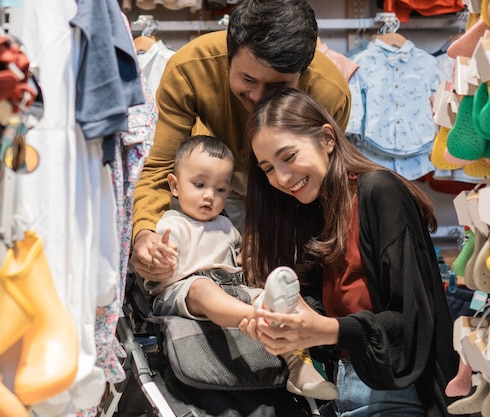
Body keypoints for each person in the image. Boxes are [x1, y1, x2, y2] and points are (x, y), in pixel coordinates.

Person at [238, 87, 459, 416]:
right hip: (342, 389)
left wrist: (322, 329)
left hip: (400, 391)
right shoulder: (314, 209)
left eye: (289, 156)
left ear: (327, 139)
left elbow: (413, 323)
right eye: (268, 168)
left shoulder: (379, 192)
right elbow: (324, 307)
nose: (282, 177)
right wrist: (282, 321)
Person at [131, 0, 352, 282]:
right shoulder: (189, 69)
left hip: (288, 198)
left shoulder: (330, 93)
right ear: (228, 57)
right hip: (218, 187)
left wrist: (270, 233)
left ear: (303, 72)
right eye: (247, 79)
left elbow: (317, 182)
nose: (259, 97)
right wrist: (145, 232)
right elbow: (159, 166)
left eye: (277, 87)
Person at [145, 134, 339, 401]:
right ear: (174, 186)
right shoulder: (171, 223)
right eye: (199, 184)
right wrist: (160, 257)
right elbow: (161, 264)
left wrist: (249, 259)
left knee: (264, 294)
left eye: (221, 190)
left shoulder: (226, 226)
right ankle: (259, 317)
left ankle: (299, 368)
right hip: (184, 290)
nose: (209, 196)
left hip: (232, 288)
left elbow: (239, 258)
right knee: (203, 288)